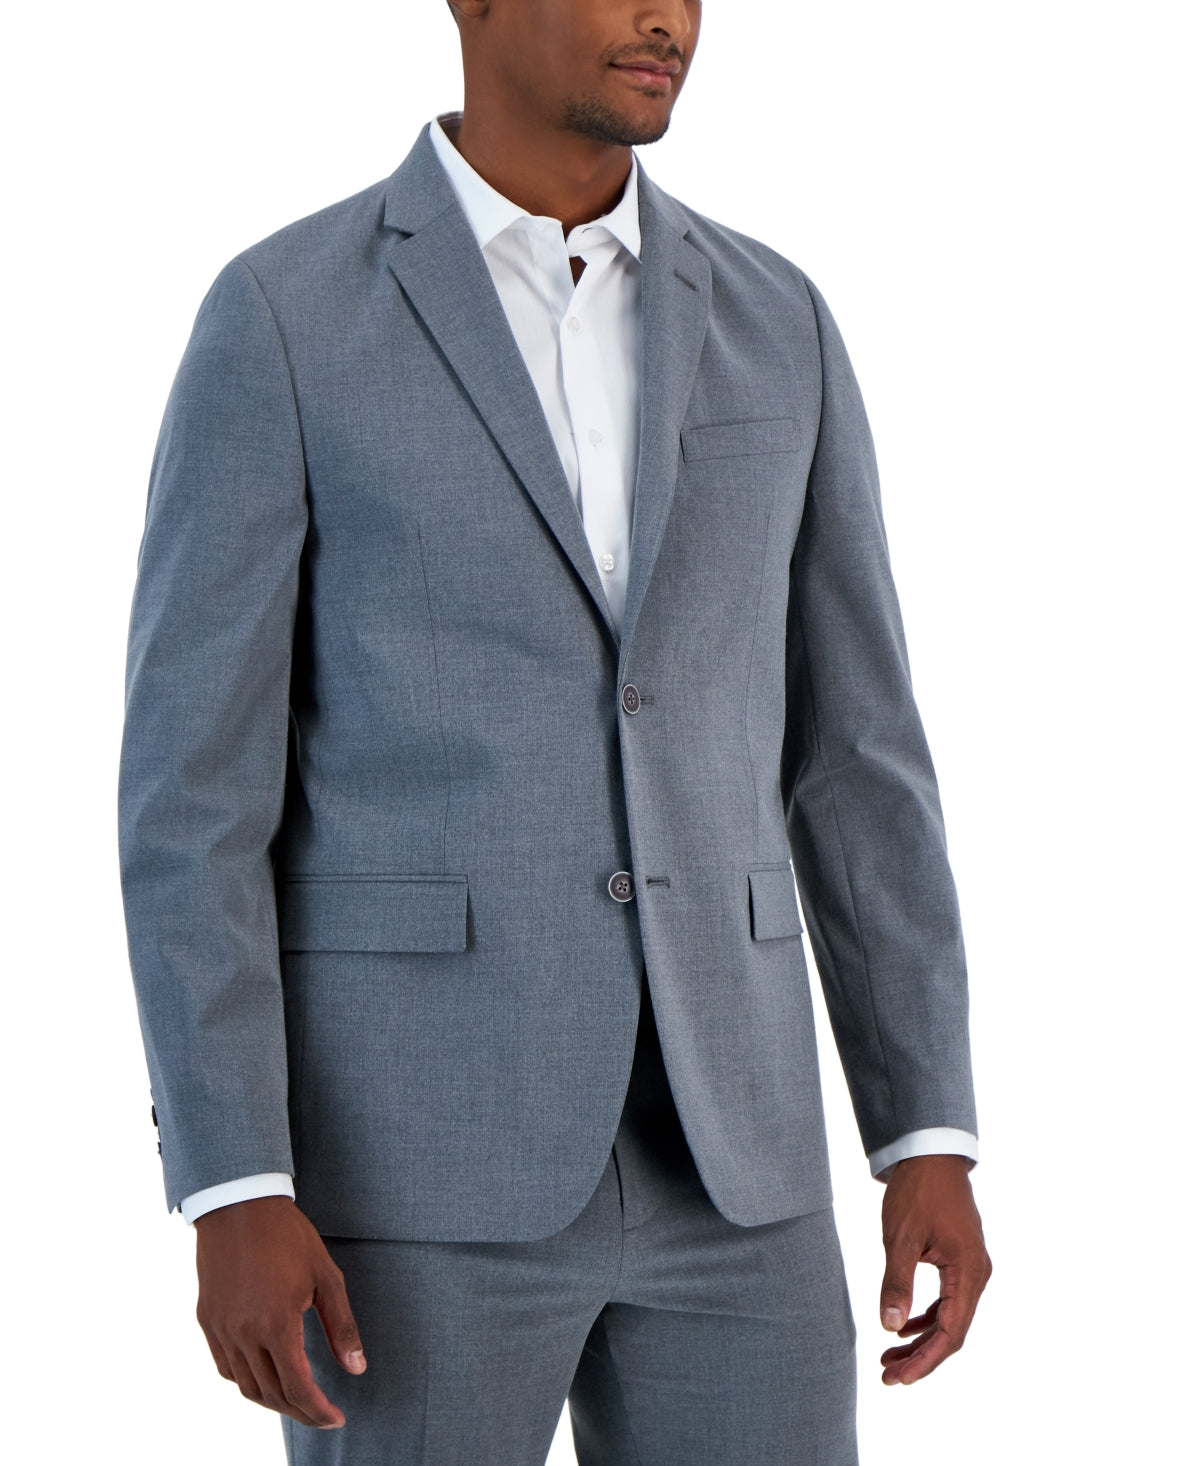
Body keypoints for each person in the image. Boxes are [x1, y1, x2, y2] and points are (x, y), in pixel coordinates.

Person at [117, 2, 992, 1461]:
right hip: (414, 1169)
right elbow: (192, 798)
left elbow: (857, 760)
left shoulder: (780, 319)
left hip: (740, 1168)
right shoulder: (284, 318)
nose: (667, 17)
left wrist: (924, 1131)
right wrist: (234, 1179)